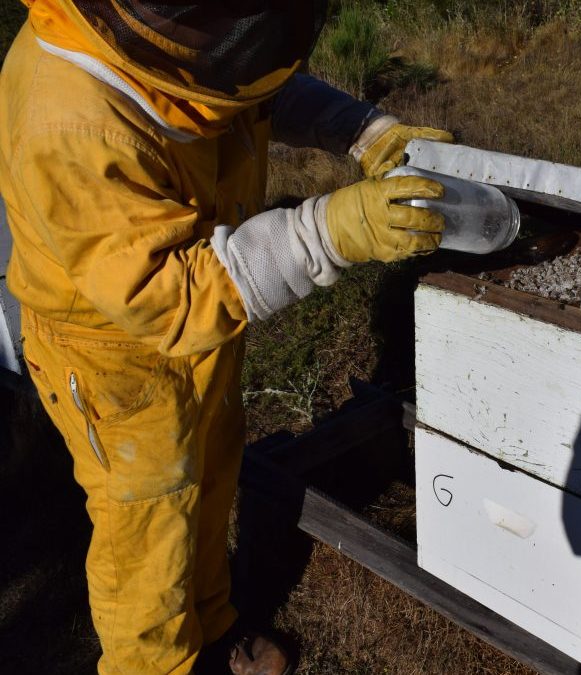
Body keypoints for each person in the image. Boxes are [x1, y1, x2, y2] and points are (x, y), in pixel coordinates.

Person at [0, 1, 453, 673]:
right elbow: (168, 297)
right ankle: (155, 664)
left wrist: (357, 129)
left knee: (210, 479)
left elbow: (249, 81)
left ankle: (212, 625)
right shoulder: (69, 116)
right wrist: (325, 233)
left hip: (197, 326)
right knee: (147, 538)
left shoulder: (192, 39)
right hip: (112, 358)